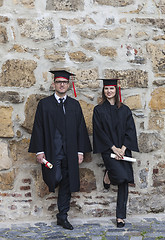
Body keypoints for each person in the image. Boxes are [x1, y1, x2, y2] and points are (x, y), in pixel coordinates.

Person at [28, 70, 92, 230]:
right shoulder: (45, 104)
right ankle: (54, 185)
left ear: (68, 84)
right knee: (55, 176)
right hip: (52, 152)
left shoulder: (74, 105)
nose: (62, 84)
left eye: (64, 82)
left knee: (67, 183)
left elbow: (80, 128)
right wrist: (39, 151)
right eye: (59, 82)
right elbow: (38, 128)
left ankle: (62, 216)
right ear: (53, 84)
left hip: (69, 153)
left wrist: (79, 151)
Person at [93, 79, 139, 228]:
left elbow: (130, 130)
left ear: (116, 90)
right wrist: (114, 148)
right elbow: (99, 132)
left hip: (124, 149)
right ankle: (109, 176)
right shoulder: (98, 110)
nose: (109, 91)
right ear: (103, 91)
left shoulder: (125, 110)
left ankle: (120, 216)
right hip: (109, 150)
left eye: (111, 89)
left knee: (125, 180)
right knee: (120, 175)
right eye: (106, 89)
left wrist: (123, 148)